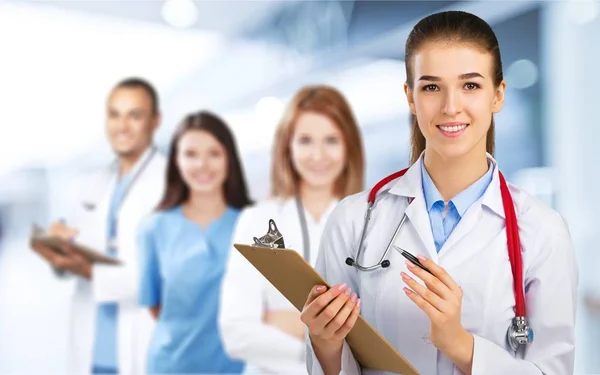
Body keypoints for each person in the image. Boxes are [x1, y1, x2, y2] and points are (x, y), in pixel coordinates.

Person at [300, 11, 578, 375]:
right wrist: (324, 343)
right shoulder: (353, 220)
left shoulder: (542, 230)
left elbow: (553, 370)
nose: (450, 106)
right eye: (431, 87)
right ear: (410, 97)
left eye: (471, 86)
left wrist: (460, 345)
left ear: (498, 95)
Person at [219, 85, 365, 375]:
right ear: (288, 146)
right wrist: (325, 347)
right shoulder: (257, 220)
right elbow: (236, 332)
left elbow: (377, 338)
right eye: (306, 141)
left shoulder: (370, 222)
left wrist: (285, 322)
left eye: (331, 140)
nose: (318, 155)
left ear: (349, 146)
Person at [30, 78, 166, 375]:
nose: (122, 126)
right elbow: (80, 251)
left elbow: (167, 276)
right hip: (92, 348)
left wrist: (90, 270)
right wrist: (59, 249)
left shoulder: (172, 184)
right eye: (114, 114)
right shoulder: (94, 184)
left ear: (156, 120)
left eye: (135, 115)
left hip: (142, 343)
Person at [138, 111, 251, 374]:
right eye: (190, 154)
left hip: (239, 367)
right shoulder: (153, 228)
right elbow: (155, 307)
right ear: (176, 161)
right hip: (172, 365)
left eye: (214, 153)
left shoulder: (253, 223)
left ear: (229, 159)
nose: (202, 164)